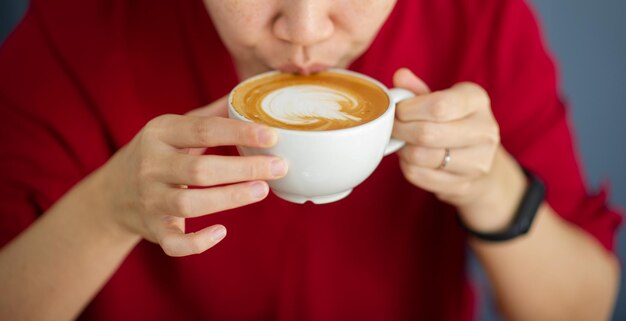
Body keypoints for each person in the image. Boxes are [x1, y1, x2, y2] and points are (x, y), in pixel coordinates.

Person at [0, 0, 621, 320]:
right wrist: (108, 211)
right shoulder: (80, 26)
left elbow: (586, 307)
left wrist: (491, 190)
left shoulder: (478, 19)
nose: (302, 29)